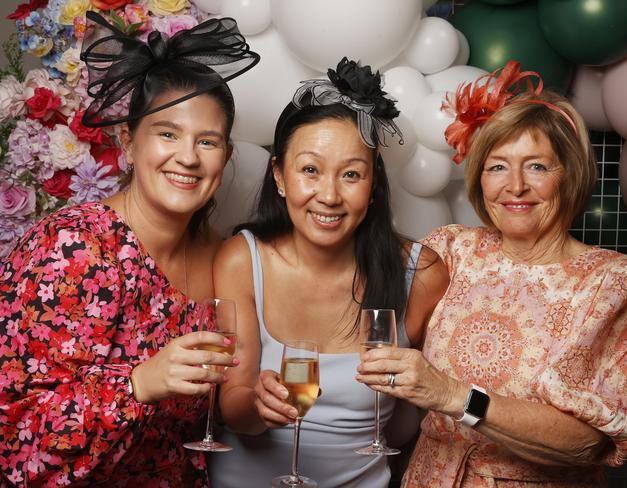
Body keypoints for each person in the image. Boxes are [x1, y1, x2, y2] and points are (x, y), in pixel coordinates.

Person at [357, 60, 627, 487]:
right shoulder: (454, 249)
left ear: (569, 175)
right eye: (497, 166)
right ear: (478, 178)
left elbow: (590, 444)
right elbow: (360, 295)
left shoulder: (612, 282)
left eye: (536, 166)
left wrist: (454, 396)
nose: (514, 186)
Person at [0, 12, 259, 486]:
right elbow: (15, 442)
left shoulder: (220, 255)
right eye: (167, 133)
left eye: (208, 141)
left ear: (224, 157)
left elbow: (216, 413)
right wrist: (139, 383)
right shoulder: (73, 247)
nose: (188, 156)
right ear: (127, 142)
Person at [208, 57, 449, 487]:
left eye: (351, 174)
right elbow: (236, 411)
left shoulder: (421, 274)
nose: (329, 195)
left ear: (374, 184)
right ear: (279, 176)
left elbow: (408, 424)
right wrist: (258, 405)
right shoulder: (242, 260)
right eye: (310, 170)